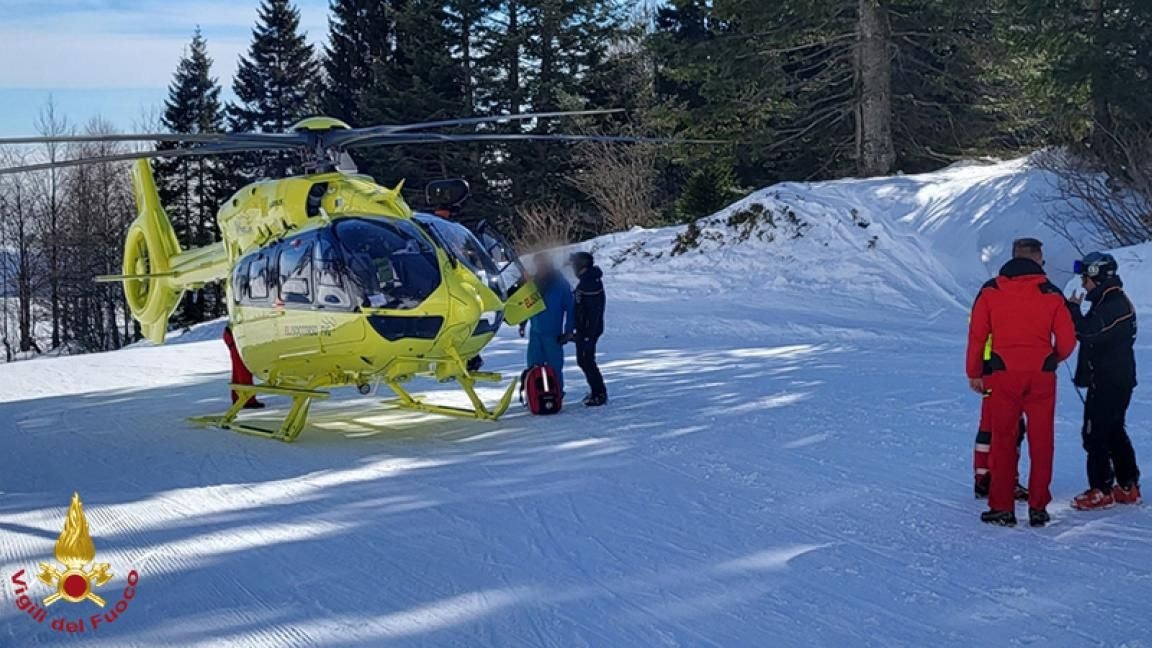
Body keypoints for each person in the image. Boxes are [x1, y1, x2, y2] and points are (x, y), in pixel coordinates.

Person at [966, 238, 1076, 527]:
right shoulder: (1051, 293)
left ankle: (1002, 507)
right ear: (1039, 260)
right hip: (1041, 374)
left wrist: (975, 372)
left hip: (1003, 373)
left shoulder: (991, 290)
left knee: (1003, 439)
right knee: (1042, 441)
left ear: (1012, 258)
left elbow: (977, 335)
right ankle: (1038, 507)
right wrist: (1052, 358)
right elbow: (1067, 339)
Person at [1066, 252, 1141, 510]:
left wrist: (1073, 309)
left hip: (1110, 381)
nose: (1083, 283)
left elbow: (1088, 331)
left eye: (1086, 278)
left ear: (1097, 278)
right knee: (1113, 430)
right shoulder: (1107, 300)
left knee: (1095, 433)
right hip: (1112, 378)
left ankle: (1102, 488)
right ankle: (1128, 485)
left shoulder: (1114, 303)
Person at [973, 334, 1029, 500]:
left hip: (992, 364)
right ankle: (1004, 480)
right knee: (1011, 426)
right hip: (1006, 365)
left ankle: (984, 478)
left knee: (989, 425)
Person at [518, 254, 575, 392]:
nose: (540, 268)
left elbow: (571, 308)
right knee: (533, 366)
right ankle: (534, 394)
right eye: (538, 265)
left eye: (543, 265)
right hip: (535, 332)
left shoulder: (560, 284)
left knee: (555, 367)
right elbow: (527, 304)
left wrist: (569, 331)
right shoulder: (533, 283)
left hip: (553, 334)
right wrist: (522, 322)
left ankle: (557, 393)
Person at [570, 251, 607, 406]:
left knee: (586, 361)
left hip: (588, 330)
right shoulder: (589, 280)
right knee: (584, 360)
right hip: (587, 329)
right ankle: (596, 391)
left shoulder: (589, 284)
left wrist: (585, 334)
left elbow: (590, 313)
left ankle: (599, 393)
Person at [222, 324, 265, 410]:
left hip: (232, 334)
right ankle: (247, 400)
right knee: (244, 370)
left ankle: (238, 398)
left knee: (238, 370)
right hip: (237, 336)